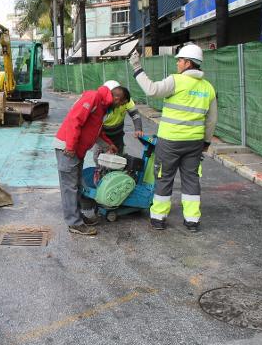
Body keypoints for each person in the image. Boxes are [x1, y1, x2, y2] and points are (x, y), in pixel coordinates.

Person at [129, 44, 217, 232]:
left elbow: (152, 90)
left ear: (188, 63)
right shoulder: (208, 88)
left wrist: (137, 68)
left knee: (164, 177)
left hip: (170, 142)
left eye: (180, 60)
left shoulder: (176, 81)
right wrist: (206, 143)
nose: (177, 63)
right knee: (191, 179)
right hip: (194, 143)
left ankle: (159, 218)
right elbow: (211, 120)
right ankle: (192, 220)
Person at [54, 85, 128, 235]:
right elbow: (75, 120)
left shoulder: (102, 106)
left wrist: (109, 145)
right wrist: (70, 145)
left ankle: (78, 218)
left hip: (75, 150)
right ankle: (74, 223)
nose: (120, 107)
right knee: (70, 187)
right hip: (68, 148)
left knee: (76, 184)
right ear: (118, 98)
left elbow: (96, 132)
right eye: (122, 103)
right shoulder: (93, 97)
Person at [93, 81, 144, 162]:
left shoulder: (125, 99)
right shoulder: (101, 102)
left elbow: (134, 114)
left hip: (118, 136)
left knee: (119, 160)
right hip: (102, 135)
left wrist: (138, 128)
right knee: (98, 159)